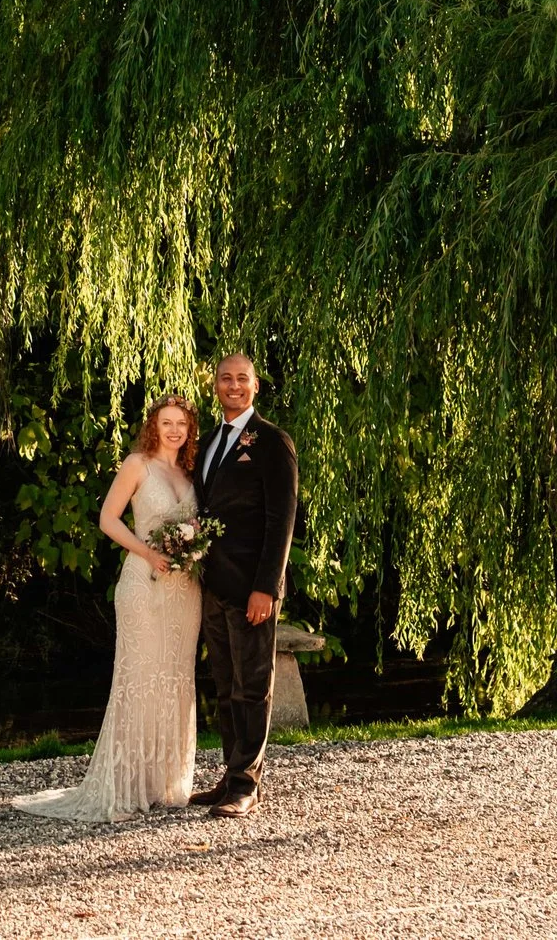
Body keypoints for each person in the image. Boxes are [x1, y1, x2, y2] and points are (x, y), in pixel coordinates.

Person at [11, 396, 205, 822]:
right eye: (166, 422)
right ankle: (123, 788)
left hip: (184, 592)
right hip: (143, 583)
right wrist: (150, 553)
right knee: (140, 679)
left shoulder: (190, 473)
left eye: (182, 424)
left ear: (190, 430)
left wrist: (192, 550)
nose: (174, 430)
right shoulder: (138, 464)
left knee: (174, 679)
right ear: (153, 426)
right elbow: (108, 519)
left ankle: (162, 784)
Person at [190, 351, 298, 818]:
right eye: (225, 379)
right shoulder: (211, 440)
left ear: (256, 387)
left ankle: (246, 785)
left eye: (242, 379)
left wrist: (267, 587)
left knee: (253, 685)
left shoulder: (273, 442)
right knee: (224, 685)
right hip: (213, 585)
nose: (233, 385)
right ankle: (230, 773)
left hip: (252, 586)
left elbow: (282, 521)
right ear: (215, 385)